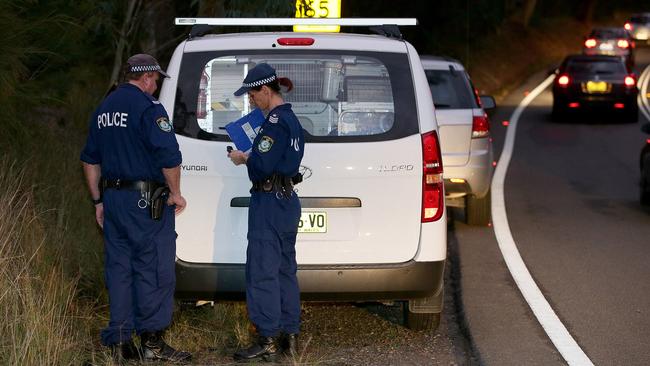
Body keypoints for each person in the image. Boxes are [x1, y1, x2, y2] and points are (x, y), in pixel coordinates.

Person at [80, 53, 191, 364]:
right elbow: (169, 155)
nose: (155, 85)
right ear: (145, 78)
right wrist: (176, 193)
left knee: (120, 269)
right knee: (154, 268)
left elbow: (89, 160)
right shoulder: (148, 108)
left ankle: (120, 340)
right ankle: (152, 341)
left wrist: (98, 201)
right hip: (145, 202)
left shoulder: (104, 108)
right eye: (155, 79)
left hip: (114, 201)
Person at [228, 63, 305, 362]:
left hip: (269, 202)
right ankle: (290, 335)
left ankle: (268, 339)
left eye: (252, 95)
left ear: (265, 89)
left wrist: (243, 159)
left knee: (262, 271)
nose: (250, 101)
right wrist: (255, 155)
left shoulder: (273, 122)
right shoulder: (292, 118)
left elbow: (260, 167)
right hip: (287, 200)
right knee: (285, 270)